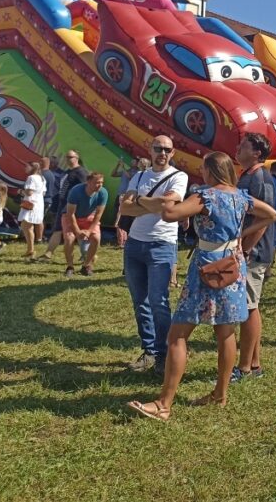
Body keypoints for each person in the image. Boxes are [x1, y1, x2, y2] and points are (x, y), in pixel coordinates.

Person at [127, 151, 276, 420]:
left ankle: (164, 404)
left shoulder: (205, 196)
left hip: (206, 266)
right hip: (233, 266)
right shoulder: (241, 197)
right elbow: (272, 214)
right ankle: (220, 395)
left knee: (178, 335)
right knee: (225, 332)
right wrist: (240, 237)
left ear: (210, 171)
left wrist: (140, 200)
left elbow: (171, 213)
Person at [118, 136, 188, 376]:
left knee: (159, 301)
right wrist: (150, 203)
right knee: (140, 301)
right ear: (150, 149)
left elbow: (168, 205)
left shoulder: (179, 176)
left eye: (167, 149)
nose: (163, 153)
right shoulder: (139, 176)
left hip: (162, 244)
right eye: (158, 148)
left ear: (172, 152)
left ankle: (164, 353)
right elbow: (124, 208)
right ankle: (149, 350)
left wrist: (138, 200)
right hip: (135, 243)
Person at [231, 133, 276, 384]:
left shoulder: (261, 177)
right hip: (246, 250)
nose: (237, 149)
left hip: (254, 252)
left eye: (243, 146)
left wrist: (246, 247)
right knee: (250, 305)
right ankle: (255, 364)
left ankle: (245, 367)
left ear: (257, 153)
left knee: (248, 307)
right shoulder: (247, 175)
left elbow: (265, 218)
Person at [36, 150, 87, 262]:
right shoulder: (68, 171)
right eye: (66, 157)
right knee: (58, 230)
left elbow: (86, 189)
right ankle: (48, 253)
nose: (67, 159)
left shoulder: (81, 172)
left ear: (77, 158)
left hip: (73, 206)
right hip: (63, 205)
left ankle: (87, 255)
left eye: (70, 157)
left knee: (76, 231)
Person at [62, 172, 109, 277]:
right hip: (71, 217)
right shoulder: (76, 191)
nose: (100, 185)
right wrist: (77, 231)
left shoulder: (103, 193)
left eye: (101, 182)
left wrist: (89, 231)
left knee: (96, 238)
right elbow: (70, 214)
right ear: (88, 182)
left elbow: (98, 215)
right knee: (69, 238)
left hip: (89, 217)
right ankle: (70, 267)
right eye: (97, 182)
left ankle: (86, 266)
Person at [17, 161, 46, 258]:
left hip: (31, 203)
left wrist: (21, 191)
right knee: (27, 226)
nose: (25, 168)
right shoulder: (42, 178)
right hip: (38, 203)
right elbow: (43, 193)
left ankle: (31, 249)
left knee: (26, 226)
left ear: (32, 168)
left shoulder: (31, 178)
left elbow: (29, 192)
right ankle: (30, 249)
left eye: (27, 166)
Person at [37, 156, 57, 246]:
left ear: (42, 163)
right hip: (48, 199)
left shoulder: (42, 175)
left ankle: (40, 238)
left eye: (40, 162)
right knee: (41, 219)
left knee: (39, 219)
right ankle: (40, 236)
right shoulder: (51, 174)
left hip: (43, 199)